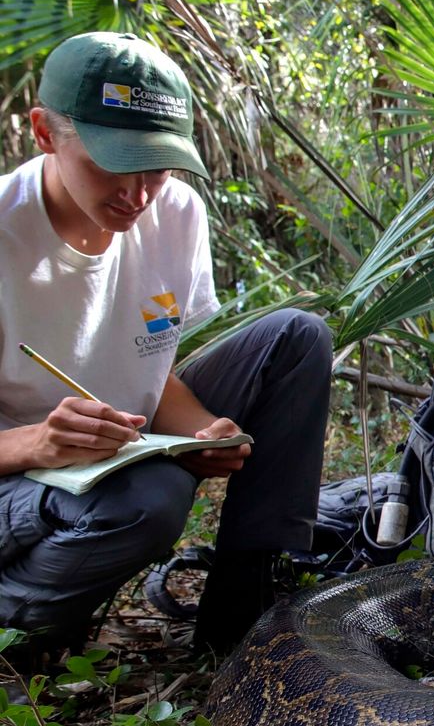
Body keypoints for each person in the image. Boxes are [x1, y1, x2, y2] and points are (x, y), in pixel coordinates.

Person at [0, 33, 333, 660]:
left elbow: (149, 371)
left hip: (111, 447)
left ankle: (244, 606)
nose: (137, 194)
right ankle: (22, 626)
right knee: (150, 498)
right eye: (110, 163)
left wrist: (207, 431)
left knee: (296, 336)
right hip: (17, 480)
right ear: (45, 133)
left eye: (155, 165)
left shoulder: (174, 212)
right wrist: (36, 443)